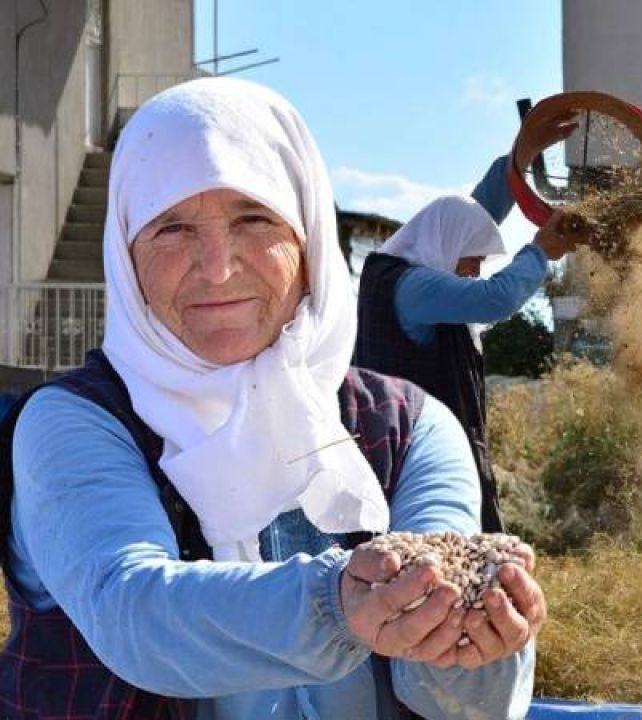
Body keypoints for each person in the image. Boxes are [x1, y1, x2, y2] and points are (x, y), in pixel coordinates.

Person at [0, 77, 544, 719]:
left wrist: (476, 643)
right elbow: (131, 610)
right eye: (171, 227)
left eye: (253, 219)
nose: (217, 268)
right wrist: (335, 604)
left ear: (309, 239)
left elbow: (448, 690)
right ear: (127, 257)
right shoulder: (73, 423)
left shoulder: (411, 428)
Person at [355, 161, 578, 534]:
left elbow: (473, 215)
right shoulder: (412, 288)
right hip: (414, 465)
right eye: (473, 259)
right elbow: (495, 298)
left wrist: (519, 158)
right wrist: (539, 252)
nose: (475, 272)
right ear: (450, 243)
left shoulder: (424, 262)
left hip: (422, 451)